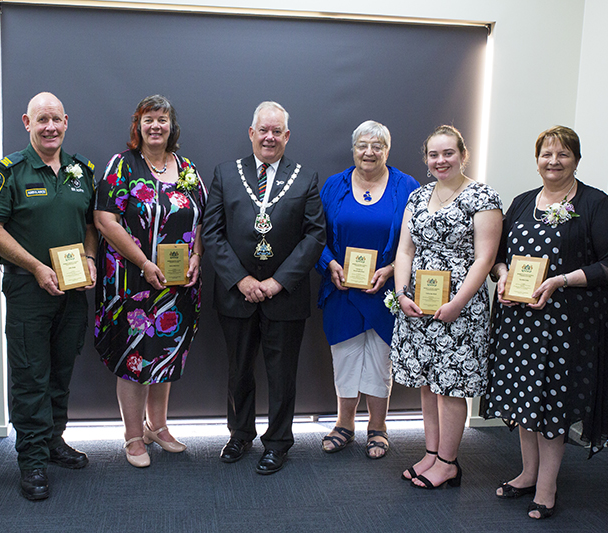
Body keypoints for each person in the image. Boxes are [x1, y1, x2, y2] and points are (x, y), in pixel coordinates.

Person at [481, 126, 608, 519]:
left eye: (562, 154)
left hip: (567, 325)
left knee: (551, 406)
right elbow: (497, 256)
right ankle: (528, 474)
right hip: (519, 322)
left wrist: (561, 280)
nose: (553, 161)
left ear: (576, 160)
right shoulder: (522, 202)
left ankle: (546, 488)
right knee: (525, 399)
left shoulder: (595, 203)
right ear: (537, 159)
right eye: (546, 154)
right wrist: (502, 276)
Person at [0, 92, 97, 500]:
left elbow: (90, 225)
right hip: (29, 289)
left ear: (66, 121)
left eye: (56, 119)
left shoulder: (82, 171)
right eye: (40, 119)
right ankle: (30, 460)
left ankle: (53, 442)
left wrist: (92, 258)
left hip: (72, 290)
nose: (49, 127)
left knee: (61, 372)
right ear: (26, 123)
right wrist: (35, 267)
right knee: (31, 376)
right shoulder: (10, 170)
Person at [202, 101, 326, 475]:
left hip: (284, 297)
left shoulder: (305, 178)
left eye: (277, 131)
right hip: (235, 294)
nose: (269, 137)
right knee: (239, 370)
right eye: (263, 130)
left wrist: (276, 282)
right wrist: (241, 279)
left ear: (287, 136)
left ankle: (277, 443)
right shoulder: (226, 173)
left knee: (282, 373)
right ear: (251, 133)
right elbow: (212, 232)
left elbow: (315, 236)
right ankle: (239, 434)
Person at [93, 95, 206, 468]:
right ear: (137, 125)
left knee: (166, 354)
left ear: (172, 125)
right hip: (133, 282)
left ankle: (158, 426)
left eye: (162, 119)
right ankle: (132, 436)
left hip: (177, 286)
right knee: (135, 358)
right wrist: (143, 262)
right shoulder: (121, 165)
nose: (156, 126)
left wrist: (197, 257)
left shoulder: (186, 167)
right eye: (149, 119)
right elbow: (104, 220)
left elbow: (202, 218)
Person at [390, 125, 502, 489]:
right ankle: (432, 453)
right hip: (419, 304)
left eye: (448, 153)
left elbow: (484, 260)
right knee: (427, 382)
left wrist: (457, 303)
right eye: (434, 155)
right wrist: (402, 293)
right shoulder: (418, 197)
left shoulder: (482, 197)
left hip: (459, 306)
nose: (441, 160)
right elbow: (405, 250)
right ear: (426, 160)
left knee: (451, 385)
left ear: (463, 155)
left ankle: (449, 463)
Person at [316, 120, 419, 458]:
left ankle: (378, 427)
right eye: (363, 144)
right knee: (344, 358)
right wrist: (330, 264)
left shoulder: (407, 187)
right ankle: (344, 424)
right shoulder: (334, 185)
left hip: (385, 292)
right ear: (353, 148)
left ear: (387, 150)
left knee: (379, 360)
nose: (369, 152)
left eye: (378, 146)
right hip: (342, 290)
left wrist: (391, 271)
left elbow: (417, 239)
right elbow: (315, 235)